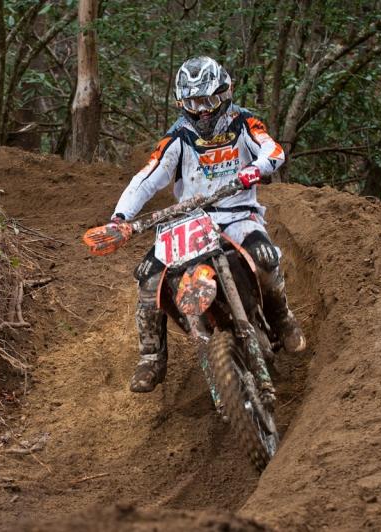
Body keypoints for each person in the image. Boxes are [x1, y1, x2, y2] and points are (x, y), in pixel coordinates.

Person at [110, 56, 306, 393]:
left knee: (265, 257)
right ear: (181, 103)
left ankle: (282, 316)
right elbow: (146, 178)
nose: (202, 110)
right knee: (148, 276)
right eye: (192, 102)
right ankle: (151, 356)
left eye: (209, 100)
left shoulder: (243, 123)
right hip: (190, 222)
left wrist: (257, 168)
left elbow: (273, 150)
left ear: (225, 93)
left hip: (238, 214)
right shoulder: (178, 138)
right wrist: (120, 218)